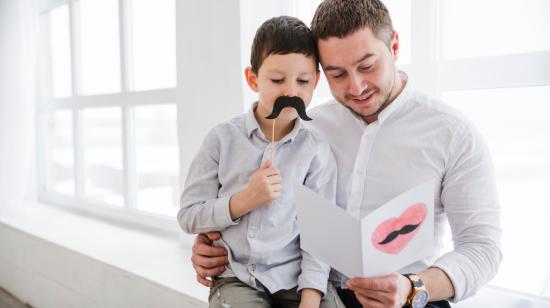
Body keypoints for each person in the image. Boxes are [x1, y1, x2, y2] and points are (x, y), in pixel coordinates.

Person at [189, 1, 502, 307]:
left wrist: (412, 287)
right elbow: (262, 210)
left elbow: (482, 248)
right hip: (315, 288)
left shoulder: (454, 134)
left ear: (394, 46)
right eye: (337, 74)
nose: (356, 87)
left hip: (408, 297)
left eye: (367, 66)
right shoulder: (304, 130)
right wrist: (214, 243)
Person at [178, 16, 344, 308]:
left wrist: (310, 298)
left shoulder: (316, 151)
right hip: (236, 278)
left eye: (303, 81)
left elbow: (320, 238)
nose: (290, 92)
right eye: (277, 80)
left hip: (296, 279)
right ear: (253, 79)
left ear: (316, 82)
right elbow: (189, 216)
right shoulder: (221, 140)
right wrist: (244, 200)